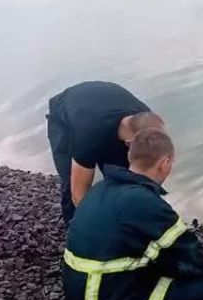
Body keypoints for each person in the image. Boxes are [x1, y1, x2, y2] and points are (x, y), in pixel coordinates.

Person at [62, 129, 203, 300]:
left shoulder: (101, 189)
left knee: (166, 268)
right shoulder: (147, 204)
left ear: (130, 157)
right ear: (165, 163)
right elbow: (193, 259)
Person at [46, 81, 165, 223]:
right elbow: (78, 193)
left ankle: (129, 219)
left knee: (124, 175)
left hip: (101, 104)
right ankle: (75, 226)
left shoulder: (145, 118)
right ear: (129, 143)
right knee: (70, 178)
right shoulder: (88, 137)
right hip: (64, 115)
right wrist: (100, 226)